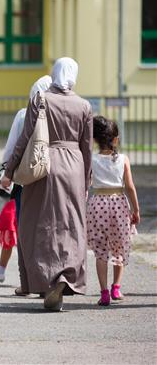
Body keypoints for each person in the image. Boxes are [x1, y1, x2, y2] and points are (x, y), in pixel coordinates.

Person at [1, 57, 93, 311]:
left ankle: (46, 280)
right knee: (70, 224)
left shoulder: (40, 98)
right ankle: (65, 275)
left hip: (43, 165)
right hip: (74, 167)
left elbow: (25, 138)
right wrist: (86, 181)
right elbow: (88, 148)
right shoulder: (84, 105)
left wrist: (9, 171)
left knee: (38, 224)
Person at [0, 75, 52, 289]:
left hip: (26, 179)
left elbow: (13, 147)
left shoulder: (24, 114)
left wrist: (7, 172)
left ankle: (27, 283)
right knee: (49, 229)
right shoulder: (60, 112)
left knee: (24, 229)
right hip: (54, 180)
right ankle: (49, 279)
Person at [87, 116, 140, 306]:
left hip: (98, 204)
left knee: (100, 251)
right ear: (115, 139)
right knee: (119, 246)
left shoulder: (91, 159)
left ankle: (103, 293)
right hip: (119, 204)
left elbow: (86, 184)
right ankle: (116, 288)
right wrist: (136, 209)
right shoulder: (123, 159)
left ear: (95, 140)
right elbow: (130, 187)